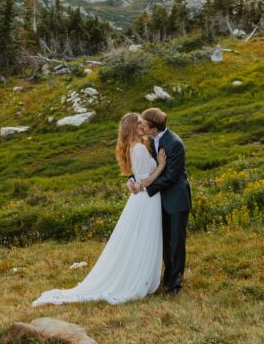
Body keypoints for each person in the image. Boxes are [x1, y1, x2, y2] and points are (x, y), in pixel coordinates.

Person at [32, 113, 166, 306]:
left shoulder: (139, 146)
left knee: (141, 239)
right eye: (137, 123)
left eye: (141, 123)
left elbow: (138, 177)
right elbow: (145, 180)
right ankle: (138, 279)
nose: (141, 125)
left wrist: (133, 181)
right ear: (130, 128)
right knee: (143, 238)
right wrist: (161, 166)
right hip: (147, 198)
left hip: (145, 197)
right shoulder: (138, 148)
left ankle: (143, 276)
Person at [128, 107, 191, 295]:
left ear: (153, 129)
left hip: (176, 199)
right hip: (158, 200)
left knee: (177, 241)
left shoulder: (174, 144)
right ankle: (167, 275)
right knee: (164, 241)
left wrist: (145, 187)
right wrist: (133, 180)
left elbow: (171, 176)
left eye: (144, 125)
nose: (141, 126)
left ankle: (176, 282)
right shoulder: (150, 141)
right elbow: (145, 167)